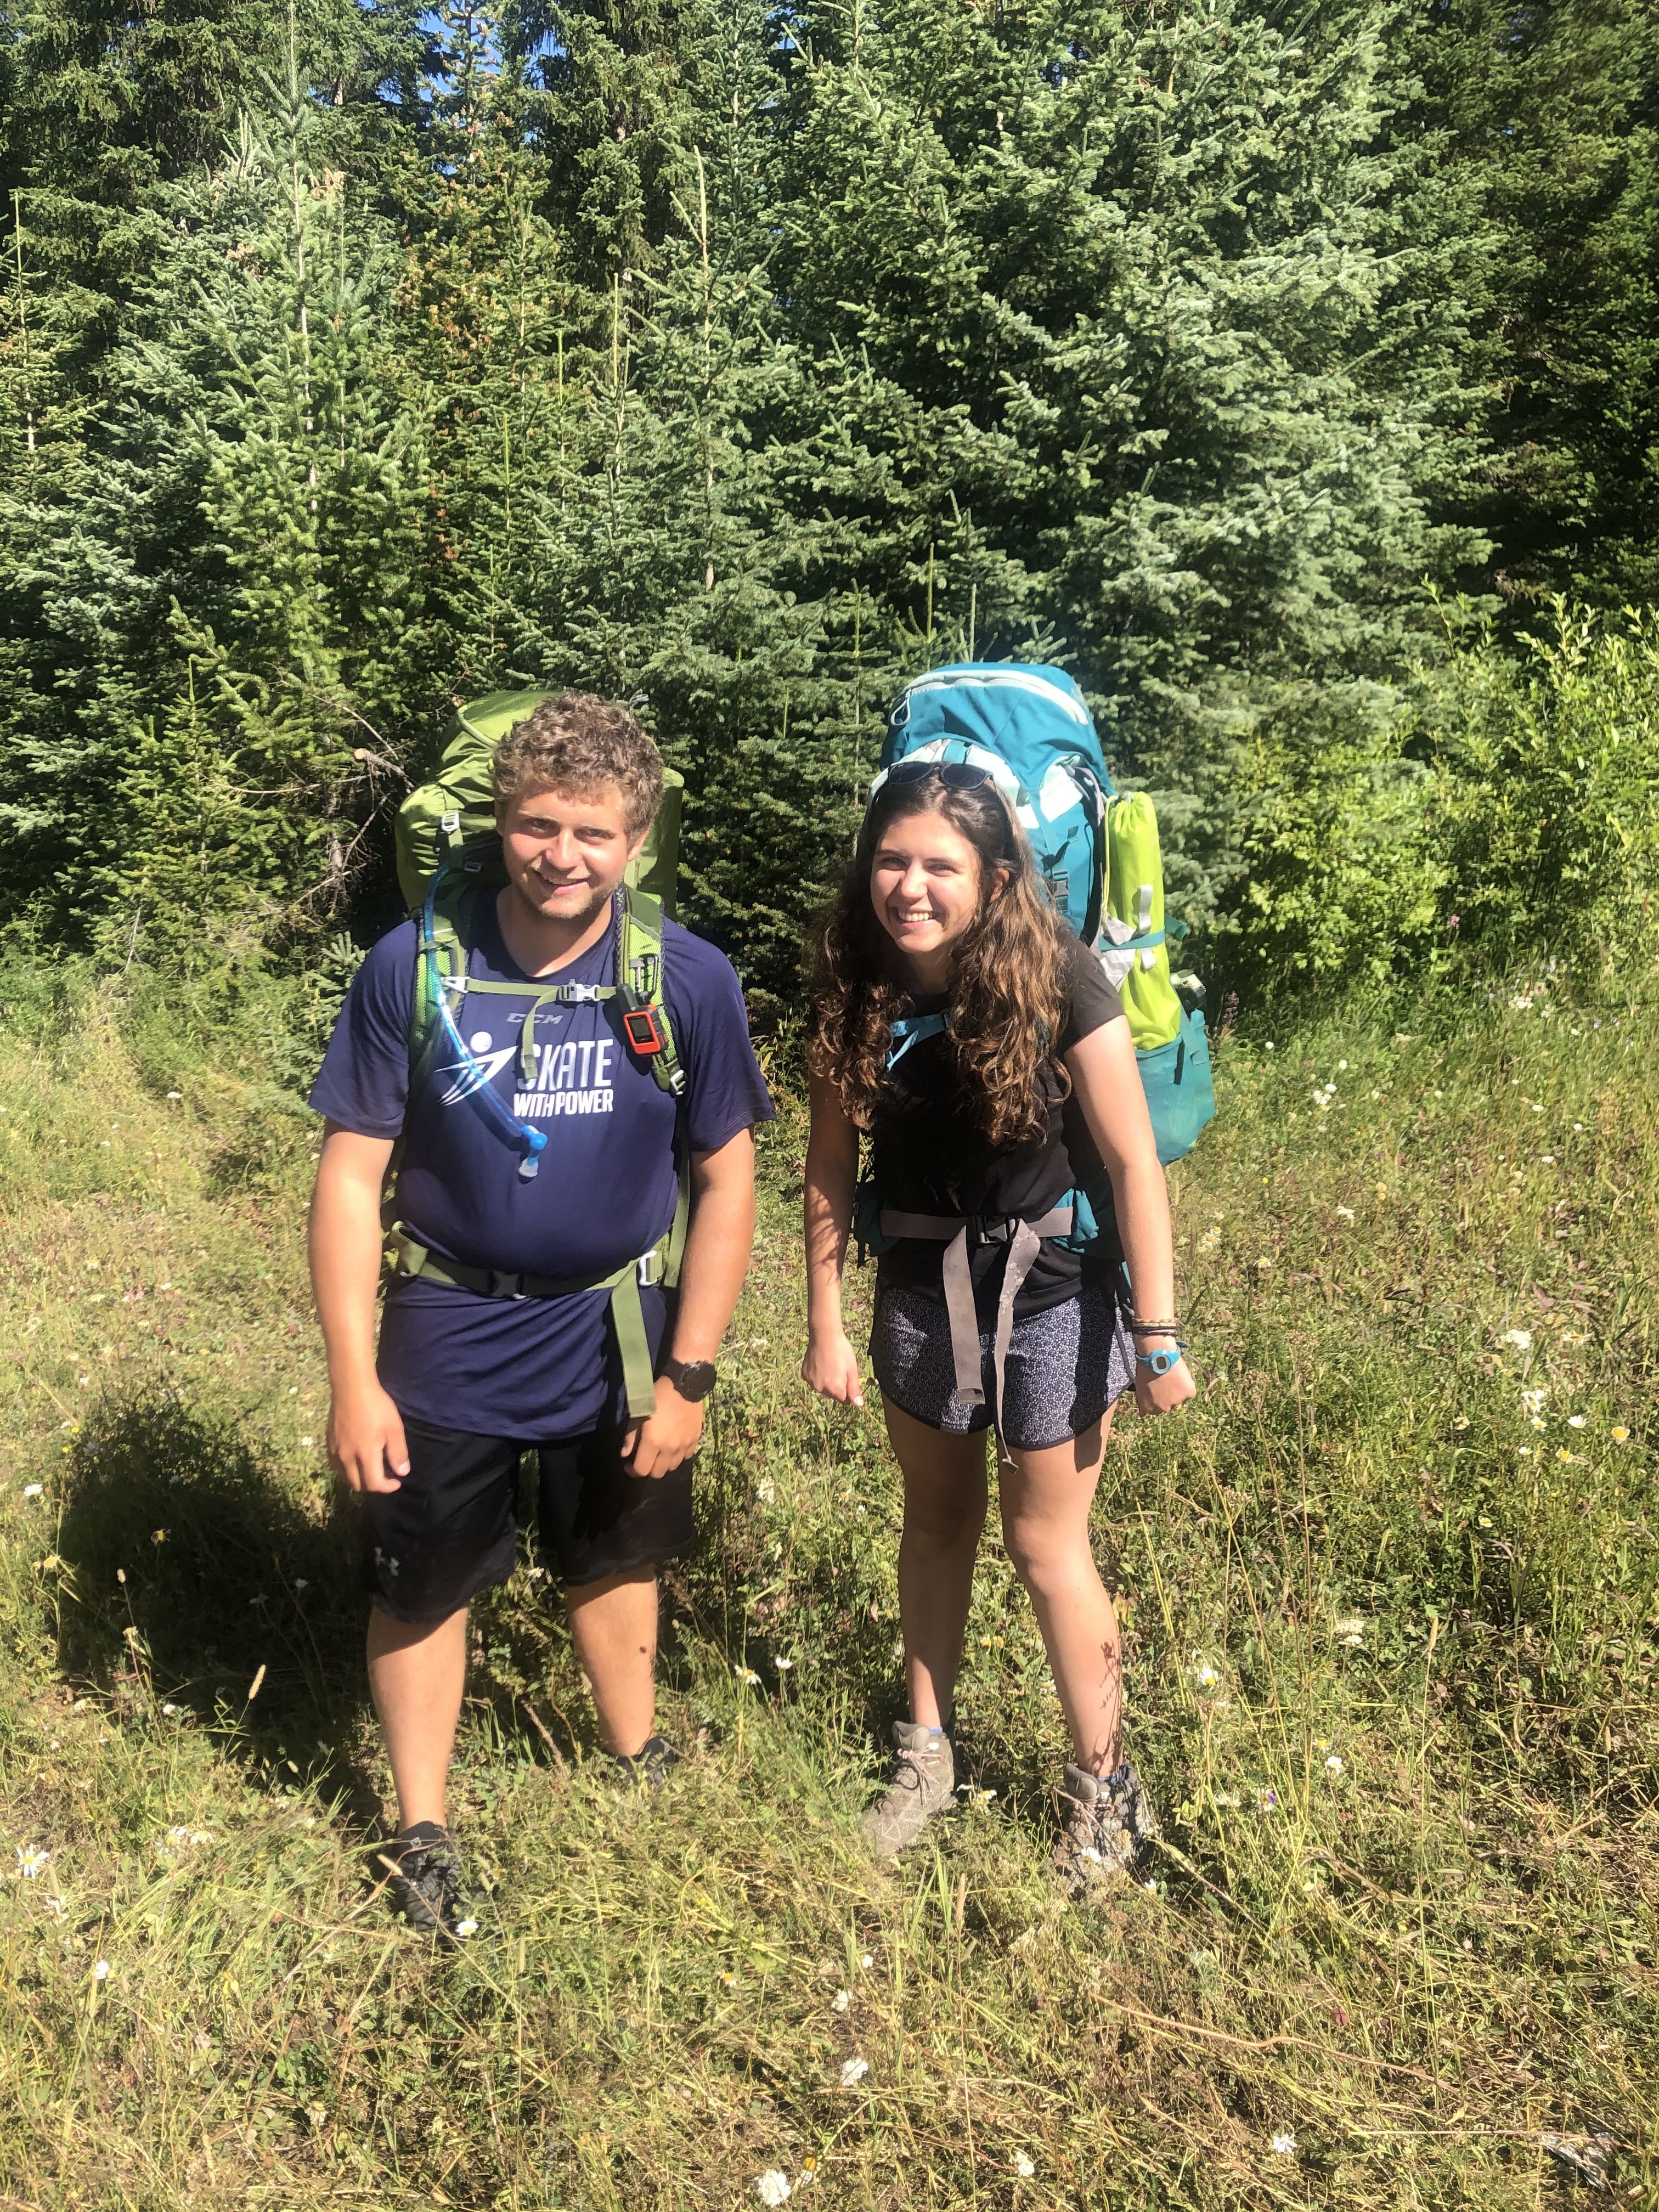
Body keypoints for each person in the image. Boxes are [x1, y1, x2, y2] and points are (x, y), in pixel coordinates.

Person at [308, 696, 771, 1940]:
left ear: (638, 842)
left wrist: (692, 1376)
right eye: (537, 825)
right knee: (423, 1582)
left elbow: (727, 1175)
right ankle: (422, 1829)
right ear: (497, 824)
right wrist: (356, 1378)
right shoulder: (414, 967)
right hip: (445, 1335)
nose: (563, 856)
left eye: (594, 835)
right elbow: (352, 1175)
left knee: (615, 1552)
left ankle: (635, 1753)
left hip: (618, 1335)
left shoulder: (684, 977)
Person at [801, 762, 1195, 1894]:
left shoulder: (1058, 974)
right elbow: (830, 1164)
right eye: (893, 858)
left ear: (997, 876)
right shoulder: (856, 979)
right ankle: (926, 1757)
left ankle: (1106, 1792)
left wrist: (1158, 1334)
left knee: (1044, 1546)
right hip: (920, 1291)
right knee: (934, 1526)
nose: (910, 885)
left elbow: (1131, 1163)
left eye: (939, 865)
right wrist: (823, 1320)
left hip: (1057, 1294)